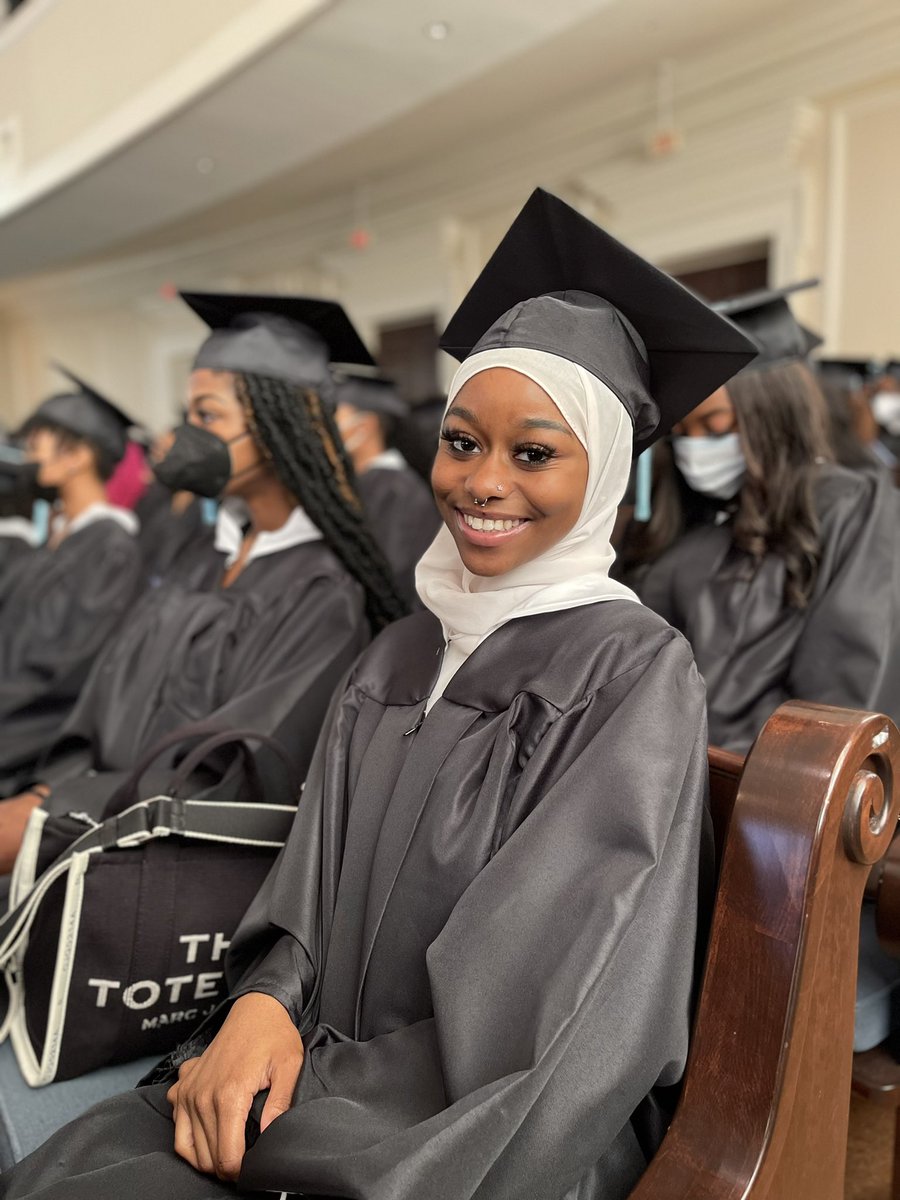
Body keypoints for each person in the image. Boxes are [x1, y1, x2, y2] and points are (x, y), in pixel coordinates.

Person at [0, 190, 758, 1200]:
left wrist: (314, 1086)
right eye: (461, 441)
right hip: (302, 1061)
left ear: (609, 471)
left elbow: (557, 1007)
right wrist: (264, 1004)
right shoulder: (402, 649)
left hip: (463, 1130)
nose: (484, 481)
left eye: (534, 452)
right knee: (68, 1169)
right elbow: (307, 884)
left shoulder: (629, 670)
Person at [0, 293, 405, 874]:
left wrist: (54, 814)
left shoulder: (322, 592)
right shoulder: (199, 557)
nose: (186, 436)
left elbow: (235, 775)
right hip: (89, 835)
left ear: (277, 425)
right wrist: (48, 792)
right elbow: (103, 704)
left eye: (207, 417)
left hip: (173, 877)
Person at [620, 284, 900, 754]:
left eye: (713, 427)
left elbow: (844, 695)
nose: (694, 449)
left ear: (771, 412)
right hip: (659, 774)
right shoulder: (682, 514)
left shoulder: (850, 507)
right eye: (682, 432)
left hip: (770, 792)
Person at [0, 368, 144, 796]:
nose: (29, 456)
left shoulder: (111, 549)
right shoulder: (55, 538)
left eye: (37, 443)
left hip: (37, 740)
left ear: (77, 456)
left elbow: (67, 668)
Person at [334, 371, 440, 603]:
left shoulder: (394, 489)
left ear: (364, 426)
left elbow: (390, 573)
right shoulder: (369, 482)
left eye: (333, 415)